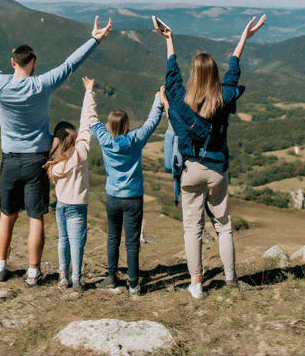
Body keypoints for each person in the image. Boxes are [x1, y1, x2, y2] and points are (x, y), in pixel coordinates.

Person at [0, 15, 112, 285]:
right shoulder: (41, 84)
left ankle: (2, 267)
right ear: (34, 64)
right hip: (37, 162)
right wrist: (94, 39)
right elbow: (70, 64)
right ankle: (32, 272)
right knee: (35, 218)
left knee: (7, 215)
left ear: (12, 62)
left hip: (9, 159)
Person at [156, 15, 266, 298]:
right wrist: (243, 38)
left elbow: (171, 75)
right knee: (223, 226)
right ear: (214, 74)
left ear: (193, 75)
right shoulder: (223, 97)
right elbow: (234, 72)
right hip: (217, 169)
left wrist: (169, 40)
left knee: (192, 229)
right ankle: (231, 280)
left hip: (191, 170)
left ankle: (196, 284)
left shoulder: (181, 98)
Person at [91, 92, 164, 295]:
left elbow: (91, 118)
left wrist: (89, 92)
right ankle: (133, 284)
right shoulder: (137, 138)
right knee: (132, 242)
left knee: (113, 238)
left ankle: (112, 277)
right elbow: (152, 120)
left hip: (113, 198)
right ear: (126, 124)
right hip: (133, 198)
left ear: (110, 125)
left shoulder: (105, 139)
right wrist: (158, 97)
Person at [45, 76, 96, 293]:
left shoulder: (54, 165)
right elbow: (87, 121)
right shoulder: (81, 152)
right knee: (77, 243)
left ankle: (62, 276)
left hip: (61, 205)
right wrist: (89, 93)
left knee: (63, 240)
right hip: (77, 206)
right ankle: (76, 280)